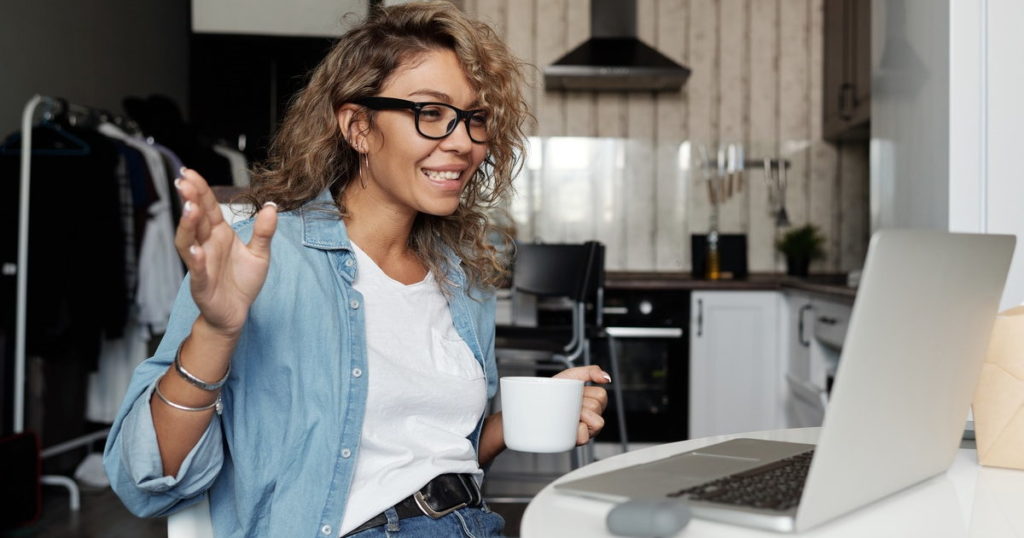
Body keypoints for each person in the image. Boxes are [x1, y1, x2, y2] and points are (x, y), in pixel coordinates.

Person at [103, 2, 611, 537]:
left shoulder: (461, 277)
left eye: (475, 117)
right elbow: (144, 480)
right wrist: (216, 329)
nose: (463, 141)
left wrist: (512, 426)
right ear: (358, 127)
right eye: (431, 112)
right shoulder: (261, 256)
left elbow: (431, 459)